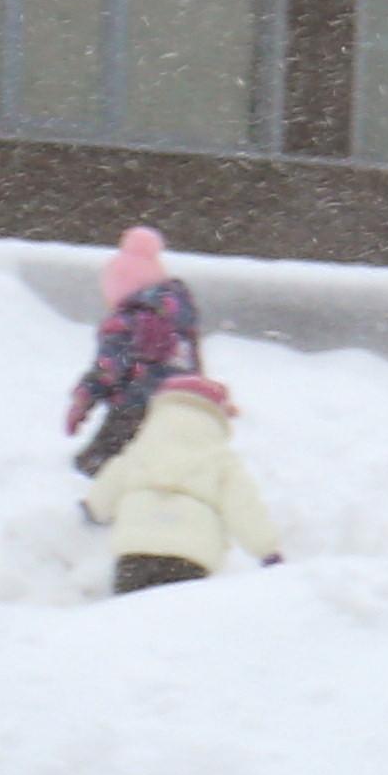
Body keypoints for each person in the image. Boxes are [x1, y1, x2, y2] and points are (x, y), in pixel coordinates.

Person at [81, 377, 282, 595]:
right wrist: (267, 551)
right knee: (178, 620)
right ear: (216, 415)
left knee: (133, 616)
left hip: (136, 550)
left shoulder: (141, 448)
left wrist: (93, 510)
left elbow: (110, 483)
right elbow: (244, 507)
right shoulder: (221, 458)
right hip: (190, 557)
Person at [67, 227, 208, 477]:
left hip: (135, 406)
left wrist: (84, 398)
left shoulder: (124, 322)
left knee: (94, 465)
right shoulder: (181, 318)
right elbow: (195, 365)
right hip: (182, 404)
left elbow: (107, 369)